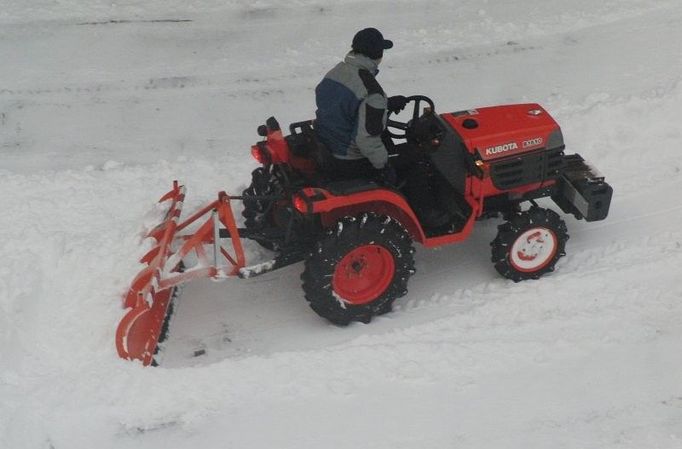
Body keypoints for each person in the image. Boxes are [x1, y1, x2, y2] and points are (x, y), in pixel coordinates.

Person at [314, 28, 450, 228]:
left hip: (329, 147)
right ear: (378, 54)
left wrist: (385, 107)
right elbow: (366, 139)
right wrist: (384, 166)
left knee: (395, 147)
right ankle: (429, 215)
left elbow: (346, 107)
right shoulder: (372, 93)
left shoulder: (335, 73)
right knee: (418, 159)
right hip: (350, 160)